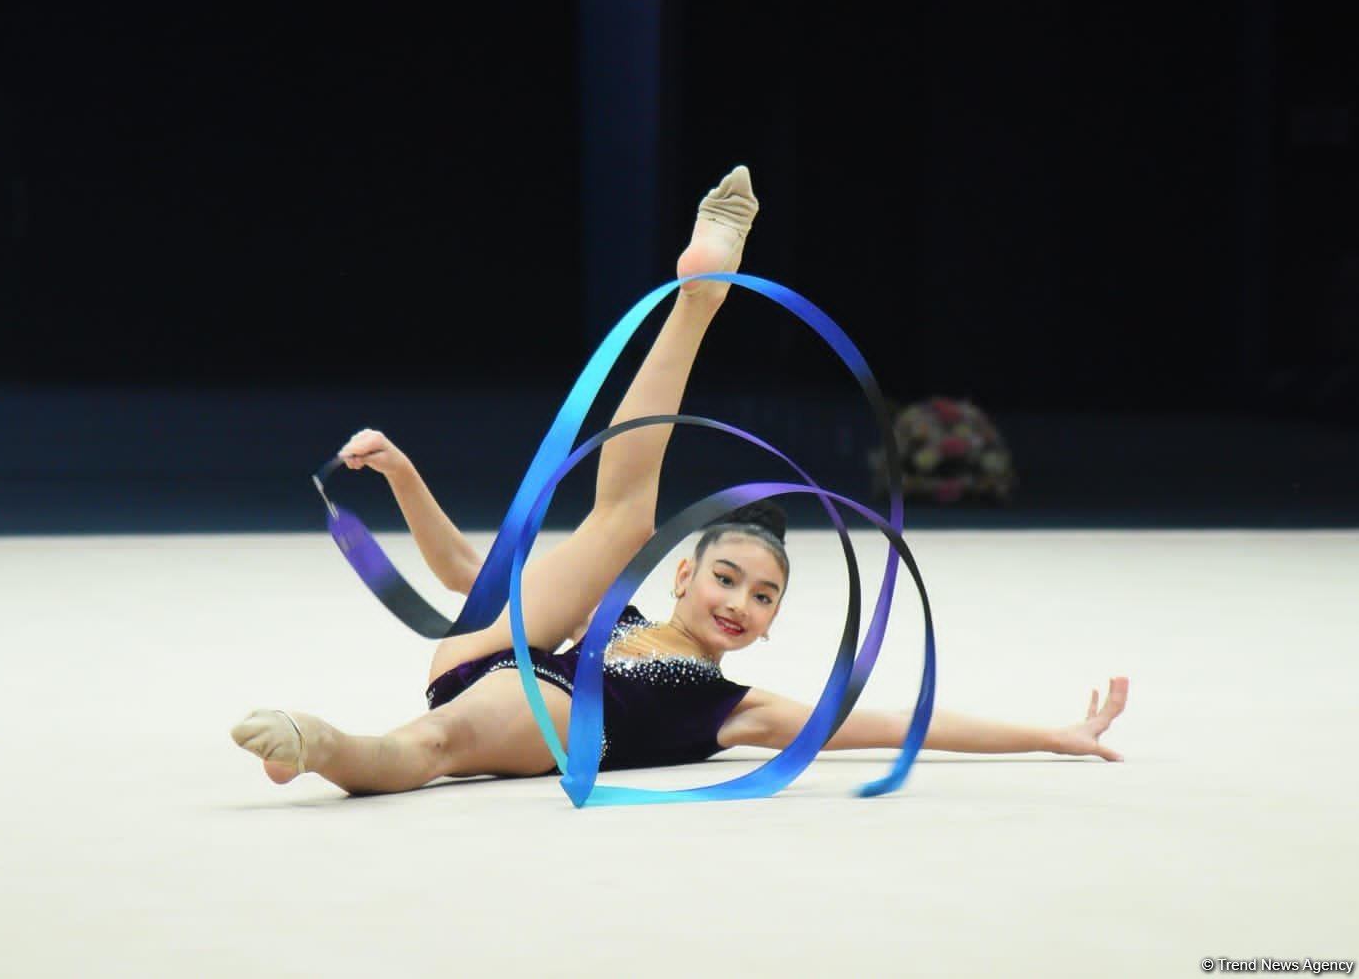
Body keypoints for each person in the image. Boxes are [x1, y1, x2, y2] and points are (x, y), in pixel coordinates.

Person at [231, 165, 1129, 794]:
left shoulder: (737, 710)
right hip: (502, 662)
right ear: (686, 578)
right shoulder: (612, 612)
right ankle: (699, 298)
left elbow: (900, 724)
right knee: (621, 518)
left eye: (765, 596)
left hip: (537, 713)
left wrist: (1053, 735)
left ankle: (324, 748)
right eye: (729, 577)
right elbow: (469, 579)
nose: (742, 600)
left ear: (772, 624)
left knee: (426, 746)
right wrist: (403, 478)